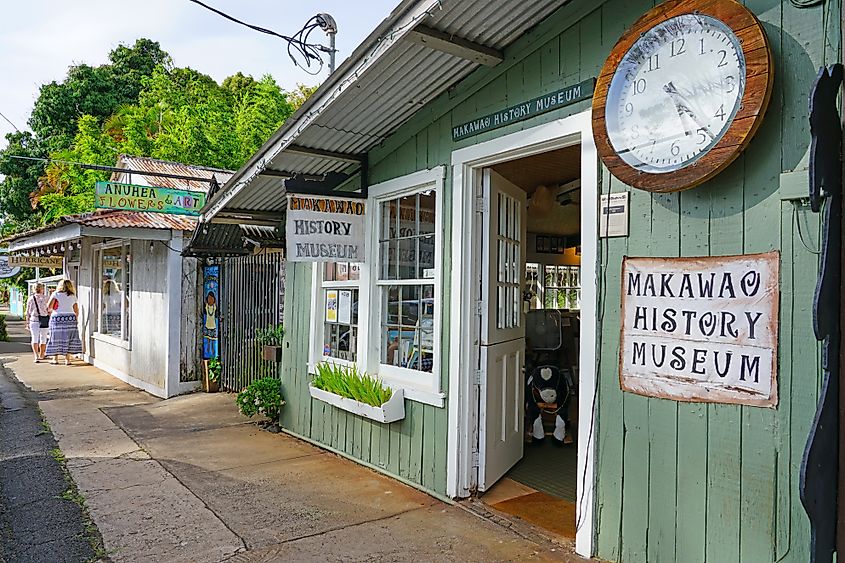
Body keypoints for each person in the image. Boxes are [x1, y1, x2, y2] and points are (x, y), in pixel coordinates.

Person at [45, 279, 83, 366]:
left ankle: (55, 359)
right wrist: (75, 319)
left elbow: (49, 307)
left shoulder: (56, 294)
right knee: (69, 338)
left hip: (57, 318)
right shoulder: (73, 296)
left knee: (55, 337)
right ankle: (67, 359)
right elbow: (76, 310)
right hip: (70, 318)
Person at [25, 283, 50, 362]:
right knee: (43, 338)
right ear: (42, 289)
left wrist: (27, 322)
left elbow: (27, 312)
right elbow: (49, 310)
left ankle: (36, 356)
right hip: (44, 320)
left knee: (34, 338)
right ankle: (42, 355)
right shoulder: (46, 298)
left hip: (33, 320)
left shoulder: (30, 298)